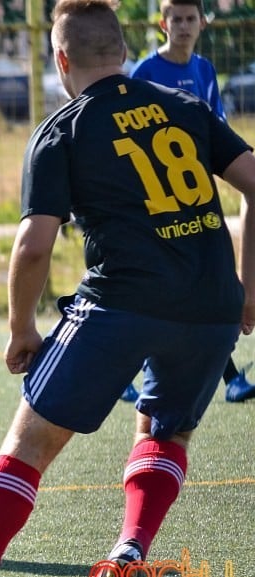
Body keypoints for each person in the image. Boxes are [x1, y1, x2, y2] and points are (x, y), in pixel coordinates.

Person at [0, 0, 255, 577]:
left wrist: (21, 329)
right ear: (122, 52)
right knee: (164, 431)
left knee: (27, 447)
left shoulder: (65, 128)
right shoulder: (187, 108)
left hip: (119, 303)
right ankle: (129, 551)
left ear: (61, 59)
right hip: (210, 308)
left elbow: (35, 244)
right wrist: (248, 288)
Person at [125, 0, 255, 403]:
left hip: (198, 195)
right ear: (163, 24)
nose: (182, 26)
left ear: (202, 23)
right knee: (157, 285)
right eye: (175, 19)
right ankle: (131, 369)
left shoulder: (204, 70)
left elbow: (214, 128)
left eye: (189, 18)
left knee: (203, 283)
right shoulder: (145, 73)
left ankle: (230, 378)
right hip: (158, 200)